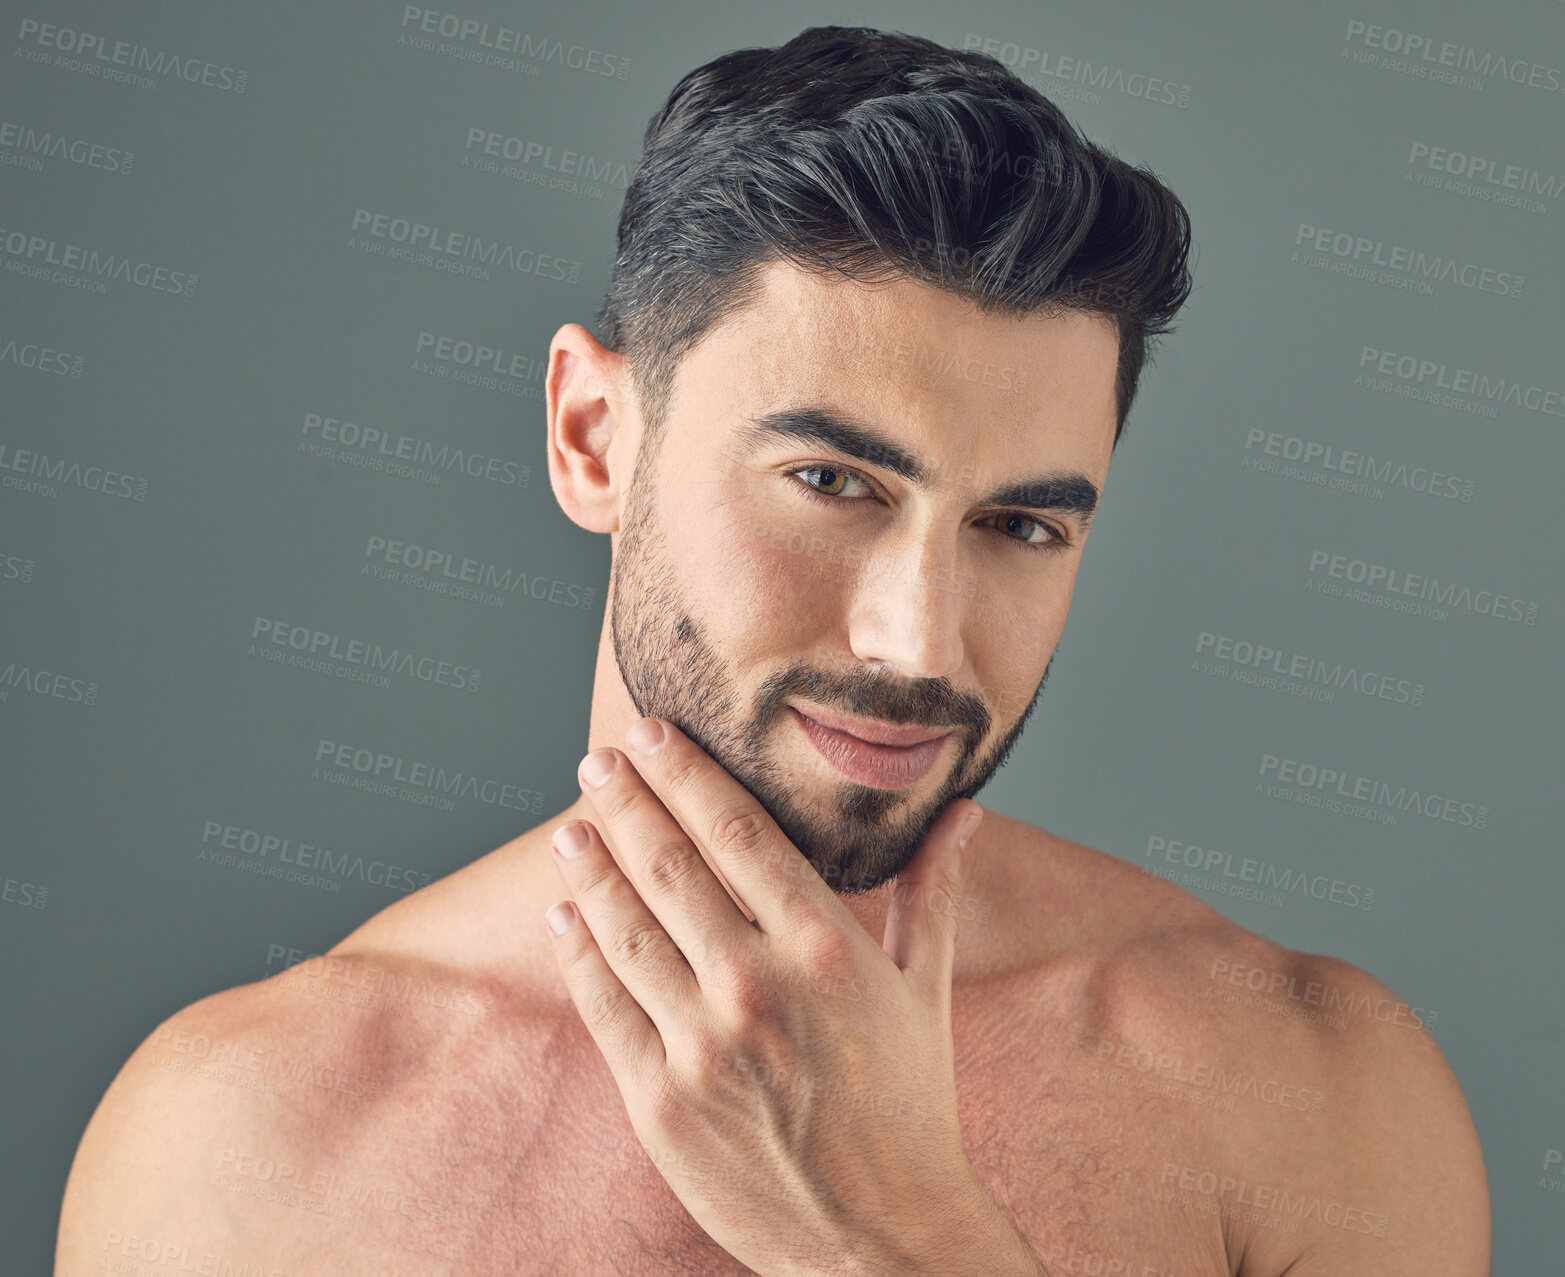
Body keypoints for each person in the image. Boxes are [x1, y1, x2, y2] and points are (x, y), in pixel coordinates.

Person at [56, 25, 1489, 1276]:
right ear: (592, 438)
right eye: (829, 484)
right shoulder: (241, 1138)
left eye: (1019, 527)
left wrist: (895, 1237)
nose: (916, 640)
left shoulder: (1307, 1092)